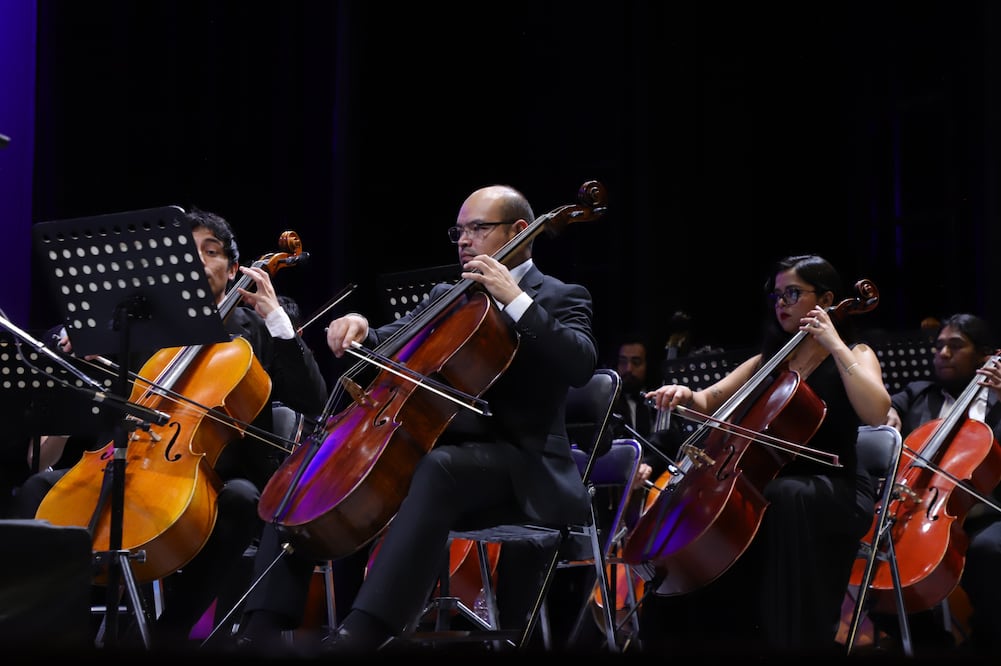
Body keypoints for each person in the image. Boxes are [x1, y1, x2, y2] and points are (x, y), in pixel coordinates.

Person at [235, 183, 598, 654]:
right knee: (312, 467)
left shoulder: (560, 296)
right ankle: (257, 630)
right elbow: (397, 338)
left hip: (520, 465)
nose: (464, 240)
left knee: (440, 468)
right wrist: (363, 328)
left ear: (520, 231)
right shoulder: (451, 292)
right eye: (459, 231)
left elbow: (581, 362)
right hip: (437, 449)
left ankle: (362, 633)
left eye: (478, 229)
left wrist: (515, 300)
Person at [11, 207, 328, 650]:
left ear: (234, 268)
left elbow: (313, 398)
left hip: (217, 470)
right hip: (134, 457)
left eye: (210, 251)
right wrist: (91, 350)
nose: (196, 260)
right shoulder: (146, 325)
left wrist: (278, 318)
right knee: (38, 490)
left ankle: (169, 634)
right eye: (186, 251)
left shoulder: (256, 327)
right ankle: (53, 632)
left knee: (241, 500)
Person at [638, 254, 891, 655]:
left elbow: (876, 411)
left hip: (834, 486)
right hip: (768, 482)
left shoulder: (854, 354)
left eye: (793, 293)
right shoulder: (771, 360)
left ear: (826, 299)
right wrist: (683, 395)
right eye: (777, 295)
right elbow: (711, 399)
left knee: (783, 499)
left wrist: (833, 341)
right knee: (731, 511)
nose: (782, 304)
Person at [875, 313, 1001, 655]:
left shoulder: (998, 403)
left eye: (955, 346)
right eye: (939, 345)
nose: (942, 352)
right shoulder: (918, 394)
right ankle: (929, 643)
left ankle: (986, 643)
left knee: (991, 551)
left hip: (987, 513)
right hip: (920, 509)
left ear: (985, 356)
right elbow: (882, 412)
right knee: (874, 553)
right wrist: (887, 417)